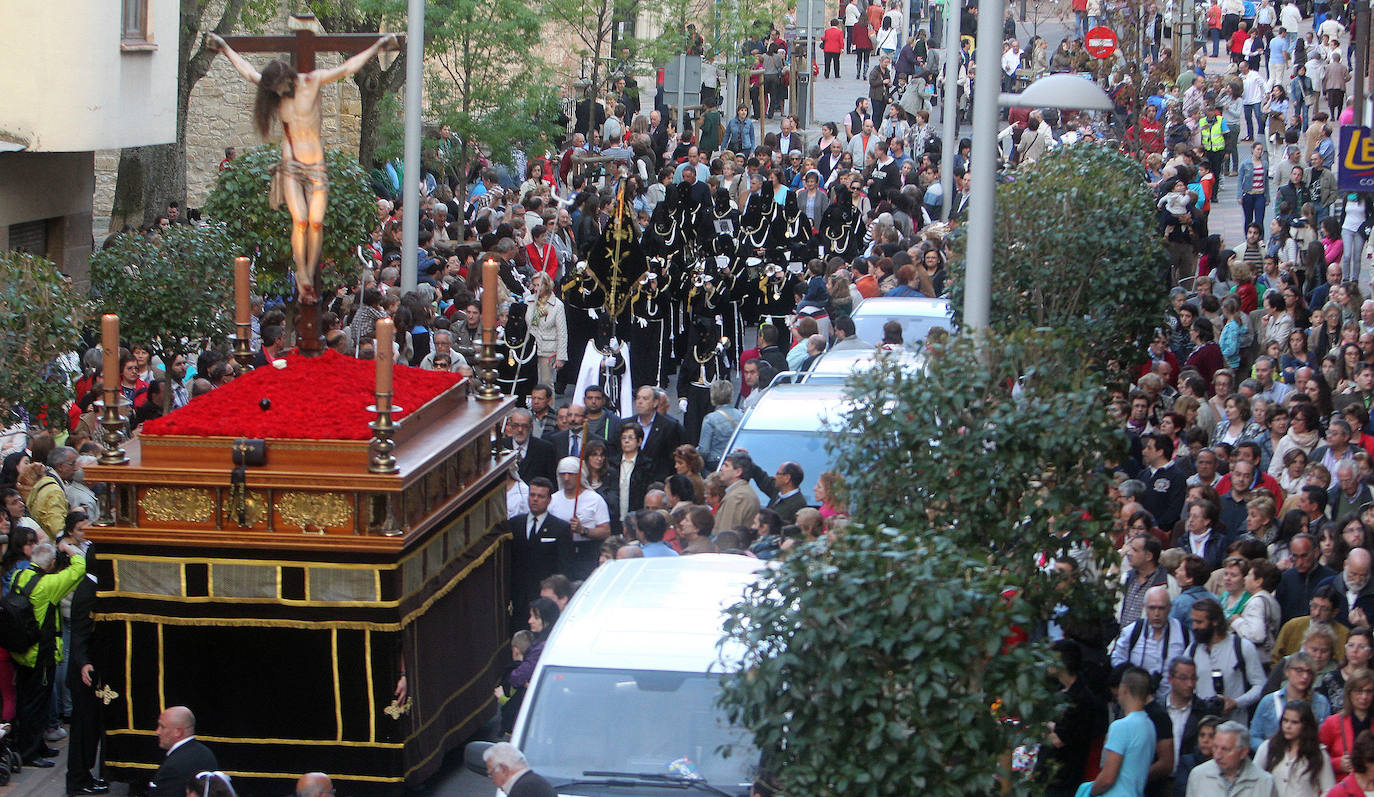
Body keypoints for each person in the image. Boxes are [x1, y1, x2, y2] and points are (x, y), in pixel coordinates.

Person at [207, 32, 400, 304]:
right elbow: (248, 71)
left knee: (316, 222)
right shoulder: (276, 94)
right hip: (290, 166)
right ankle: (304, 277)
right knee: (300, 222)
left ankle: (308, 274)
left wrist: (376, 47)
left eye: (281, 88)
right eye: (274, 92)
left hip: (315, 165)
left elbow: (347, 67)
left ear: (288, 78)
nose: (279, 94)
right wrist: (225, 48)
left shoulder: (311, 81)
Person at [12, 537, 85, 767]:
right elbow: (80, 567)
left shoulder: (19, 576)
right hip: (40, 655)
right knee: (36, 704)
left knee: (28, 701)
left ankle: (36, 746)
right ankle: (31, 753)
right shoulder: (48, 585)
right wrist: (67, 547)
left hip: (22, 650)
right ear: (51, 562)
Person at [507, 477, 573, 630]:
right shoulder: (515, 524)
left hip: (544, 597)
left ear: (549, 500)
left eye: (540, 496)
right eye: (532, 495)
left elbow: (564, 565)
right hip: (519, 596)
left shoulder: (560, 528)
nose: (535, 500)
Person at [1081, 668, 1156, 796]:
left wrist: (1089, 792)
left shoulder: (1121, 726)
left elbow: (1108, 778)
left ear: (1124, 689)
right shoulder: (1149, 725)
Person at [1252, 699, 1334, 797]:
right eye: (1285, 721)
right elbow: (1254, 779)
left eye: (1294, 722)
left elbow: (1329, 790)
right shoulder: (1268, 747)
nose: (1287, 726)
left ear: (1305, 725)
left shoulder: (1318, 754)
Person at [1184, 720, 1278, 794]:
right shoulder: (1198, 775)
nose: (1217, 755)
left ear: (1243, 752)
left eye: (1225, 749)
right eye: (1215, 747)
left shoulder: (1265, 782)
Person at [149, 706, 218, 797]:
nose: (157, 731)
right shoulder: (206, 754)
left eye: (162, 727)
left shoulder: (173, 767)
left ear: (178, 732)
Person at [1319, 668, 1374, 779]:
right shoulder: (1332, 723)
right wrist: (1338, 763)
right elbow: (1315, 757)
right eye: (1359, 691)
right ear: (1349, 693)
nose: (1364, 697)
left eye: (1369, 691)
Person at [483, 741, 556, 797]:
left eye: (491, 773)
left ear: (503, 769)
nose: (493, 781)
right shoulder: (537, 783)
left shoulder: (523, 791)